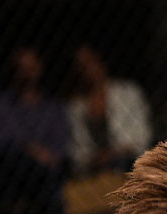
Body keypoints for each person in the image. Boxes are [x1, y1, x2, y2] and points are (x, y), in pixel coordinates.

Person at [0, 45, 70, 214]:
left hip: (46, 170)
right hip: (11, 169)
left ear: (40, 68)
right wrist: (30, 149)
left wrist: (48, 156)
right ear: (13, 71)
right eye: (21, 68)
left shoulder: (52, 107)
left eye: (30, 68)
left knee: (49, 173)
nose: (27, 73)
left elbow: (61, 144)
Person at [66, 44, 153, 176]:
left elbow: (142, 136)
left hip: (130, 160)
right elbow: (78, 150)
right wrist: (95, 159)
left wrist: (114, 153)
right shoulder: (76, 107)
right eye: (80, 65)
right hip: (96, 168)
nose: (86, 69)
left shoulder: (128, 92)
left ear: (100, 62)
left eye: (89, 62)